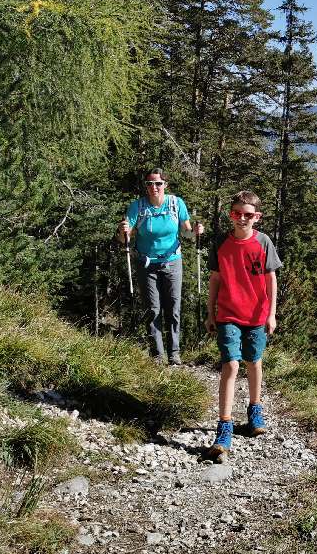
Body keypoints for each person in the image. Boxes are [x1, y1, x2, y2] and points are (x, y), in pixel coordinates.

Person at [204, 190, 281, 461]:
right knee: (231, 364)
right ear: (231, 214)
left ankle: (254, 411)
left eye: (248, 215)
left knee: (254, 361)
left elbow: (271, 279)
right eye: (237, 213)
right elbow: (215, 279)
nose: (242, 219)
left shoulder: (264, 242)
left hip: (257, 315)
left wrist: (271, 313)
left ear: (257, 217)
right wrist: (210, 311)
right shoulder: (222, 243)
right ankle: (224, 427)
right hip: (228, 312)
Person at [118, 167, 204, 366]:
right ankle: (157, 355)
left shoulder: (176, 203)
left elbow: (187, 233)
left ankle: (174, 353)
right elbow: (125, 239)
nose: (154, 187)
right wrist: (122, 231)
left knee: (173, 308)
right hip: (146, 264)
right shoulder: (137, 207)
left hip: (173, 261)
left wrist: (196, 231)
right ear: (146, 186)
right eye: (149, 184)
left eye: (158, 183)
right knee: (153, 309)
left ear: (165, 185)